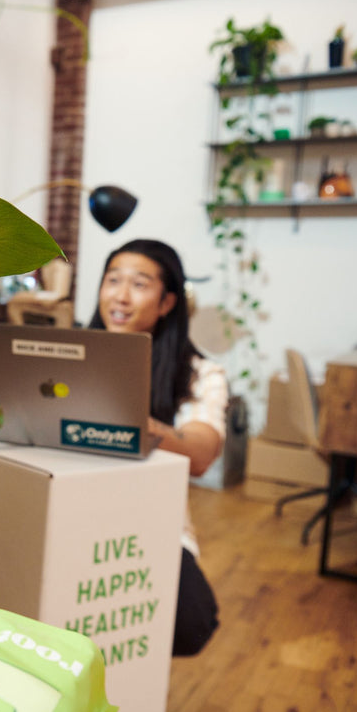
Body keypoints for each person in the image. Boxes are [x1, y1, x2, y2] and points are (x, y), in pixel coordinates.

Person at [88, 238, 226, 657]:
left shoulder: (200, 374)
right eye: (113, 280)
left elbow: (202, 453)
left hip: (150, 524)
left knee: (191, 623)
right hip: (77, 509)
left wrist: (127, 419)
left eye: (139, 284)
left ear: (167, 303)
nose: (121, 296)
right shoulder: (71, 356)